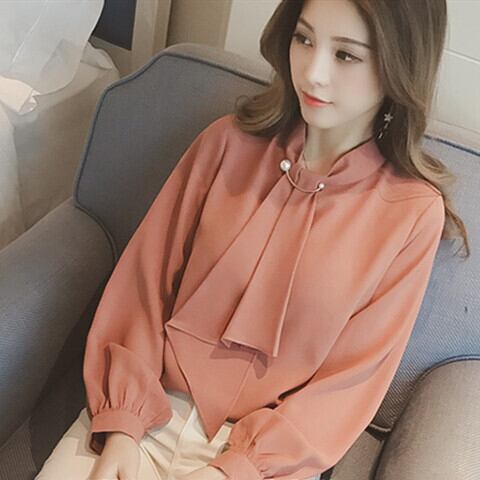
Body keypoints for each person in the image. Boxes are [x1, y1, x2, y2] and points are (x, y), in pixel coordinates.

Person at [35, 0, 469, 479]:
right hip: (140, 411)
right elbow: (142, 287)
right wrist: (122, 424)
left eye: (346, 55)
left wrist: (233, 470)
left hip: (264, 460)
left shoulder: (410, 215)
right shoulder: (226, 143)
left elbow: (350, 382)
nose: (313, 72)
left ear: (400, 63)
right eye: (304, 39)